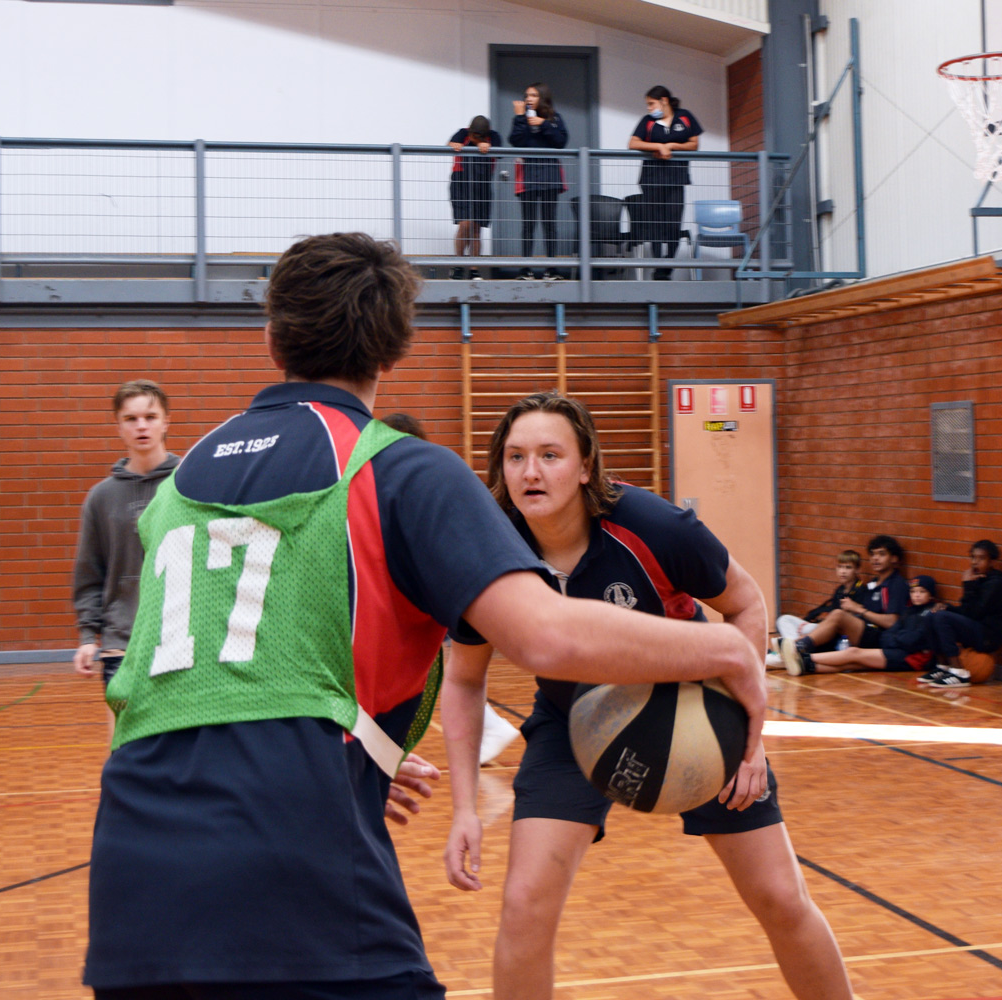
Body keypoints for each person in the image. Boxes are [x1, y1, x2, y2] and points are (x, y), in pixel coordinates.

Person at [83, 233, 767, 999]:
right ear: (392, 349)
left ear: (271, 338)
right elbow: (546, 632)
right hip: (290, 843)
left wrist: (364, 745)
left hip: (131, 862)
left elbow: (208, 669)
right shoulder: (394, 463)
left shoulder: (180, 483)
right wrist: (726, 655)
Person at [440, 391, 852, 1000]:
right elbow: (464, 677)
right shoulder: (490, 552)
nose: (531, 472)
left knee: (779, 896)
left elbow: (746, 604)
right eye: (516, 457)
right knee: (525, 905)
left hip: (695, 707)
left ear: (585, 466)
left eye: (551, 455)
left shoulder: (652, 526)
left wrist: (750, 739)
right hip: (570, 719)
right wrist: (465, 807)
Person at [379, 411, 520, 765]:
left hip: (434, 588)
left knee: (434, 671)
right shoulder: (404, 483)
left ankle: (486, 726)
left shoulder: (415, 485)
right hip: (425, 589)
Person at [72, 380, 180, 730]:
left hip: (182, 638)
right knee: (124, 751)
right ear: (119, 426)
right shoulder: (100, 497)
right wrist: (89, 636)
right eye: (131, 419)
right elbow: (90, 573)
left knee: (180, 751)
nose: (142, 426)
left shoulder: (189, 484)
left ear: (166, 422)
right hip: (123, 642)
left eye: (150, 416)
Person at [781, 535, 906, 676]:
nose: (875, 558)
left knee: (838, 615)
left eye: (881, 554)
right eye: (872, 554)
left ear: (894, 558)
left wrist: (859, 610)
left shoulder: (896, 584)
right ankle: (798, 658)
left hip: (881, 638)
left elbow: (892, 622)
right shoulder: (873, 583)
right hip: (863, 632)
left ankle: (798, 647)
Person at [796, 575, 945, 675]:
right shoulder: (908, 611)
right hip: (897, 650)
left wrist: (897, 639)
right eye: (913, 591)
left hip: (911, 659)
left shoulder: (931, 613)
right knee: (854, 664)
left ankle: (804, 657)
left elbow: (914, 639)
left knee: (853, 653)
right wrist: (896, 640)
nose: (917, 595)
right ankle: (808, 666)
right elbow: (888, 634)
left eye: (922, 591)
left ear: (931, 595)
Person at [628, 85, 703, 280]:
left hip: (676, 179)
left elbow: (694, 144)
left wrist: (672, 146)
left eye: (651, 104)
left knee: (673, 222)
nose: (649, 108)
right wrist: (658, 146)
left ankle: (668, 264)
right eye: (647, 105)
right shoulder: (648, 121)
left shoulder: (684, 116)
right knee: (654, 223)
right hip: (651, 179)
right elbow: (633, 143)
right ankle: (657, 263)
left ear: (664, 100)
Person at [919, 540, 1002, 689]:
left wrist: (968, 586)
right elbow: (966, 609)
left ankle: (958, 672)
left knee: (941, 617)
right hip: (977, 627)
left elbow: (974, 613)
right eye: (973, 558)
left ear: (992, 561)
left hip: (989, 636)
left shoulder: (996, 583)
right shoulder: (979, 580)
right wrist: (946, 607)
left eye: (981, 559)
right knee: (933, 613)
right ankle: (942, 666)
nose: (975, 563)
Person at [509, 83, 568, 280]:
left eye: (533, 95)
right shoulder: (521, 118)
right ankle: (526, 268)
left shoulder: (554, 118)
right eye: (527, 95)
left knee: (549, 223)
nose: (529, 99)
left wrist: (542, 124)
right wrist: (521, 119)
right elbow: (516, 141)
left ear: (542, 97)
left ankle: (552, 268)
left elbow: (561, 141)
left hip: (550, 176)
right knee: (528, 224)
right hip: (528, 177)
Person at [448, 116, 503, 280]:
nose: (473, 139)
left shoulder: (493, 136)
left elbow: (500, 153)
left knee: (476, 228)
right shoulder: (462, 133)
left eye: (478, 138)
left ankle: (474, 268)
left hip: (482, 184)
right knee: (464, 224)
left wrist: (488, 146)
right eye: (472, 136)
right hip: (461, 180)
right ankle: (458, 266)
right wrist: (456, 145)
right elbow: (451, 143)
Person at [775, 549, 865, 643]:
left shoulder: (860, 590)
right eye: (840, 567)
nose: (843, 571)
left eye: (848, 567)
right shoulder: (840, 590)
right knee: (783, 619)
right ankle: (793, 644)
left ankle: (793, 644)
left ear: (857, 570)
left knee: (807, 629)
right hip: (822, 625)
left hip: (834, 631)